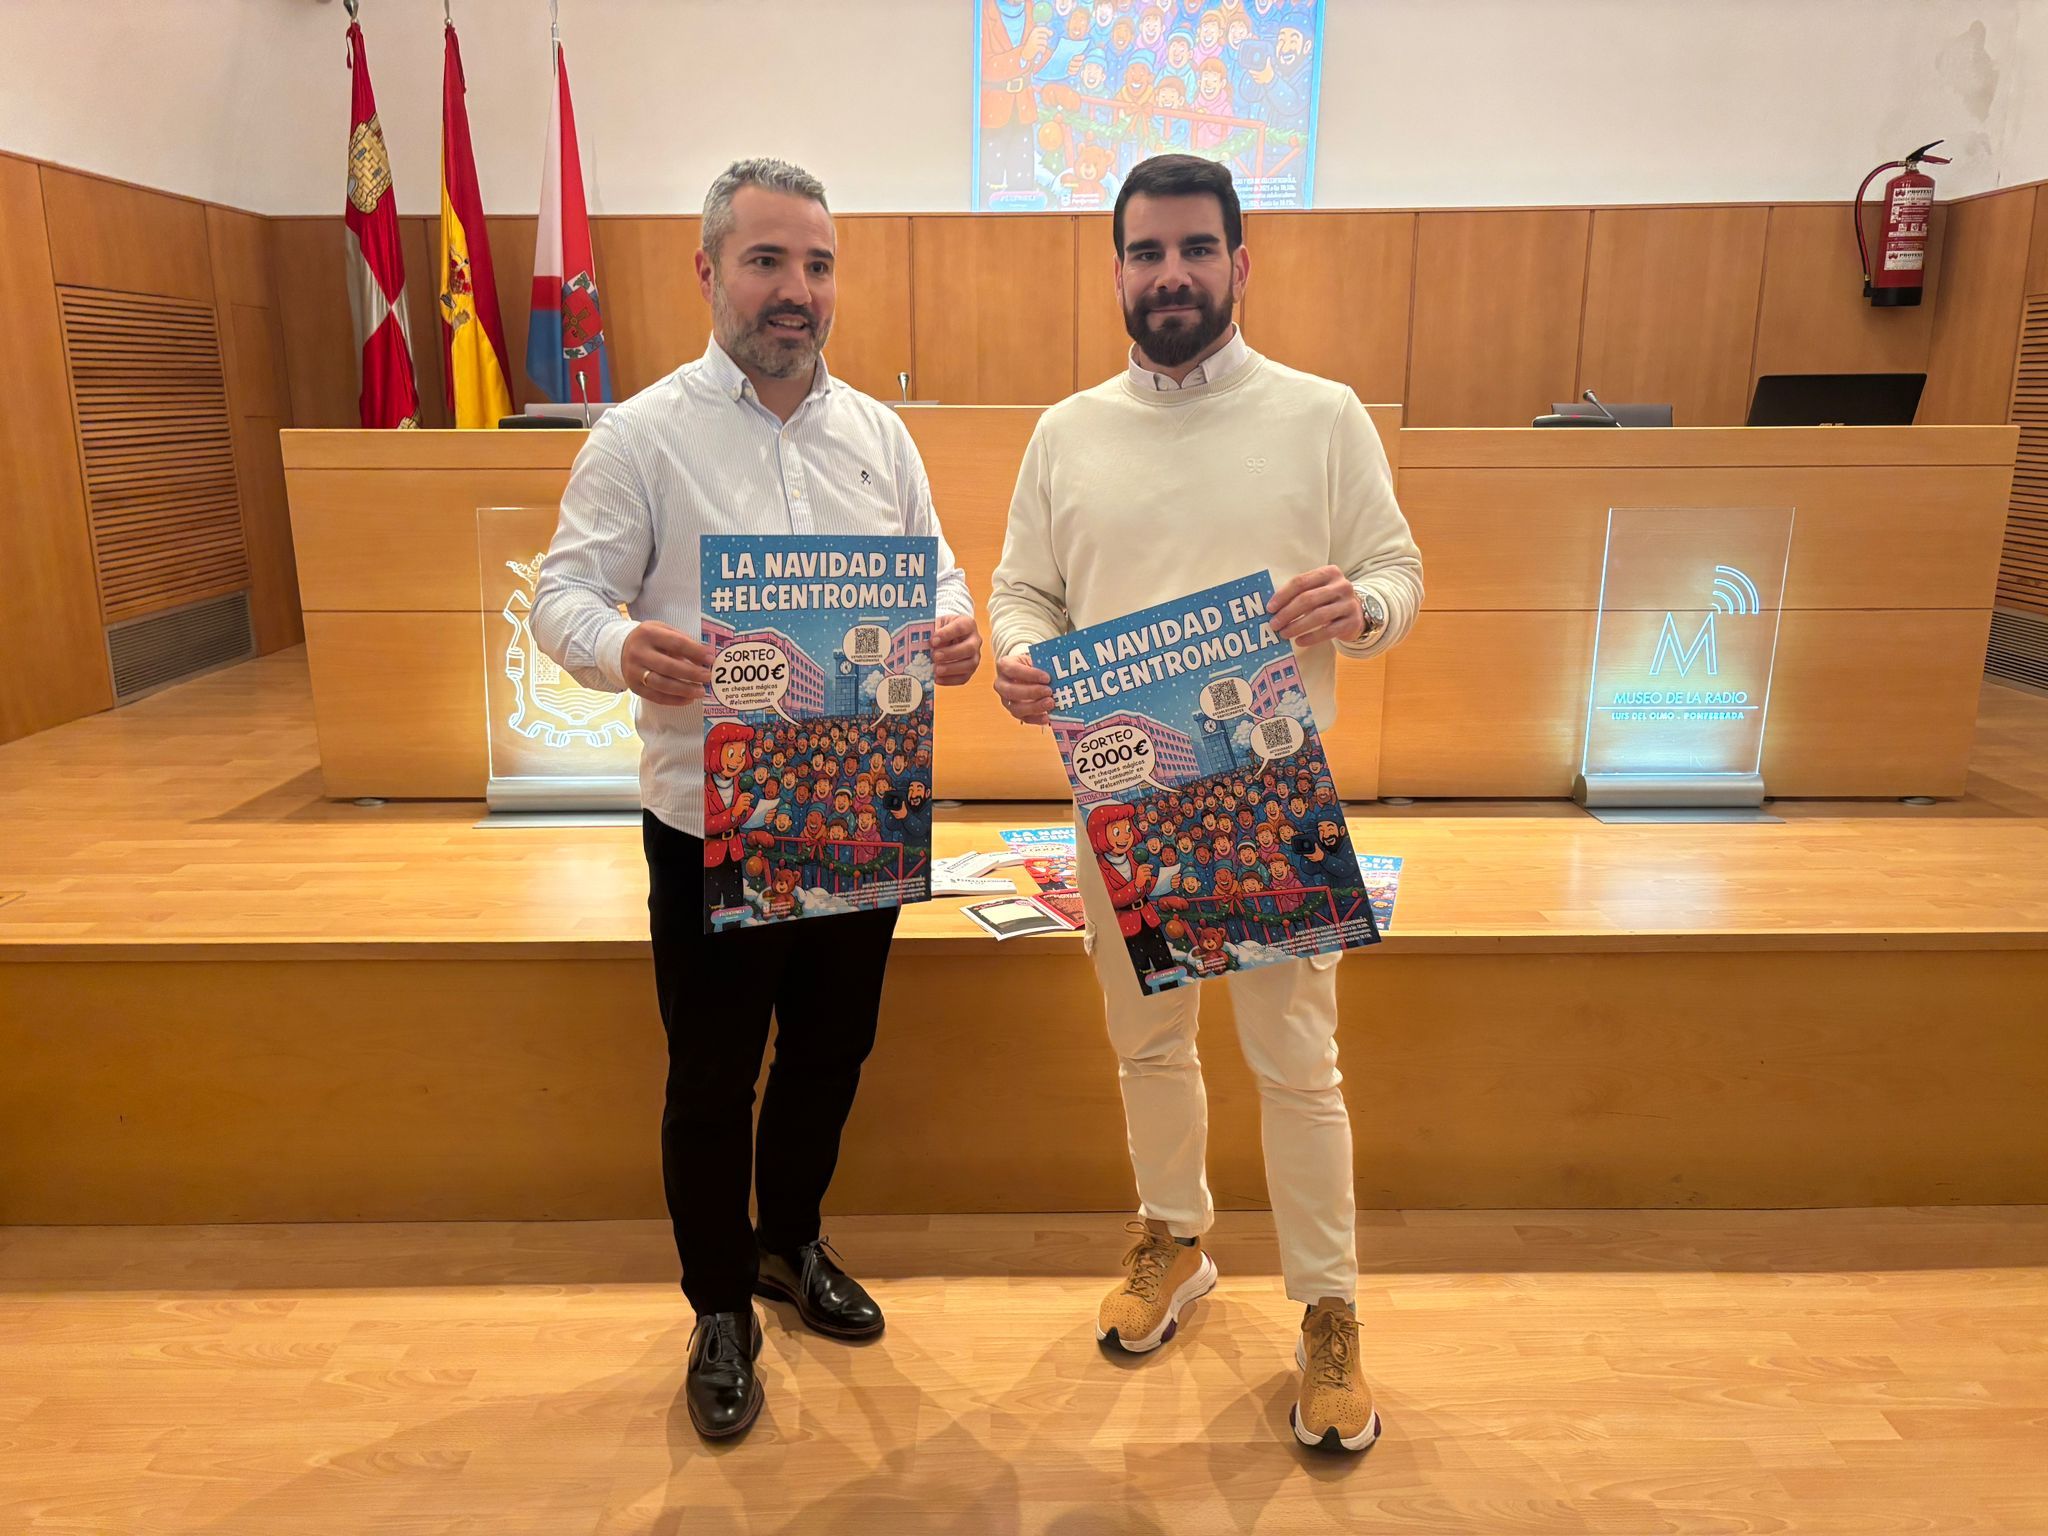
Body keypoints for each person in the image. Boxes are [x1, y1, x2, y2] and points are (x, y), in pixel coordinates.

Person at [532, 158, 983, 1441]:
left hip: (855, 804)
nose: (796, 291)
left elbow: (937, 567)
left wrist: (948, 625)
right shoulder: (641, 434)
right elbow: (564, 594)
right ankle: (717, 1303)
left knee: (832, 1054)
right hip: (709, 818)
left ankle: (788, 1244)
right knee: (713, 1075)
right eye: (768, 261)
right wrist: (623, 649)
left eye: (817, 264)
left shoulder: (877, 435)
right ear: (710, 271)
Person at [988, 153, 1422, 1454]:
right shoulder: (1066, 432)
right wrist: (1020, 656)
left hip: (1266, 784)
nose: (1168, 273)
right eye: (1144, 251)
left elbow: (1396, 569)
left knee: (1299, 1069)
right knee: (1149, 1045)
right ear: (1117, 266)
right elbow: (1025, 591)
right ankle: (1176, 1239)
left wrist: (1367, 607)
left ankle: (1330, 1311)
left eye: (1193, 248)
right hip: (1119, 792)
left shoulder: (1322, 415)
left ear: (1241, 261)